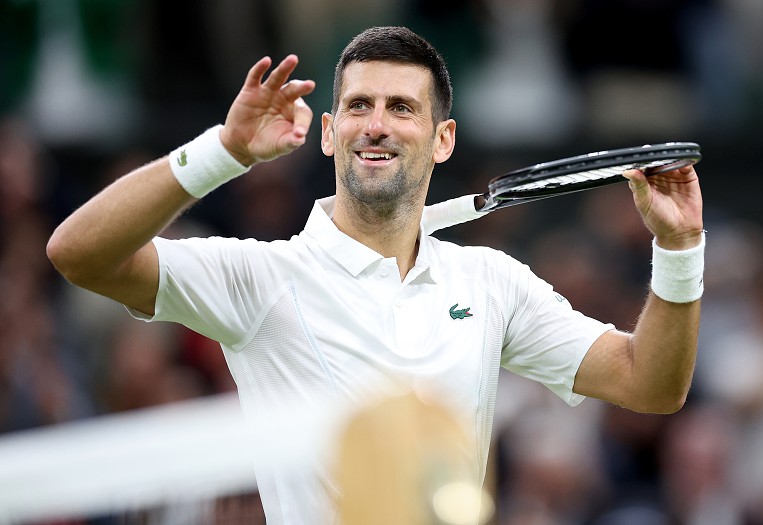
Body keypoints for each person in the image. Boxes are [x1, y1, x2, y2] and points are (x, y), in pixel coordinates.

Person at [46, 26, 705, 524]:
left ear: (441, 138)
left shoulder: (491, 282)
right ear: (329, 132)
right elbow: (78, 252)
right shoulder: (260, 276)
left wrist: (679, 249)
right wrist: (223, 150)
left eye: (401, 107)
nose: (378, 125)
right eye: (359, 106)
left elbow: (649, 383)